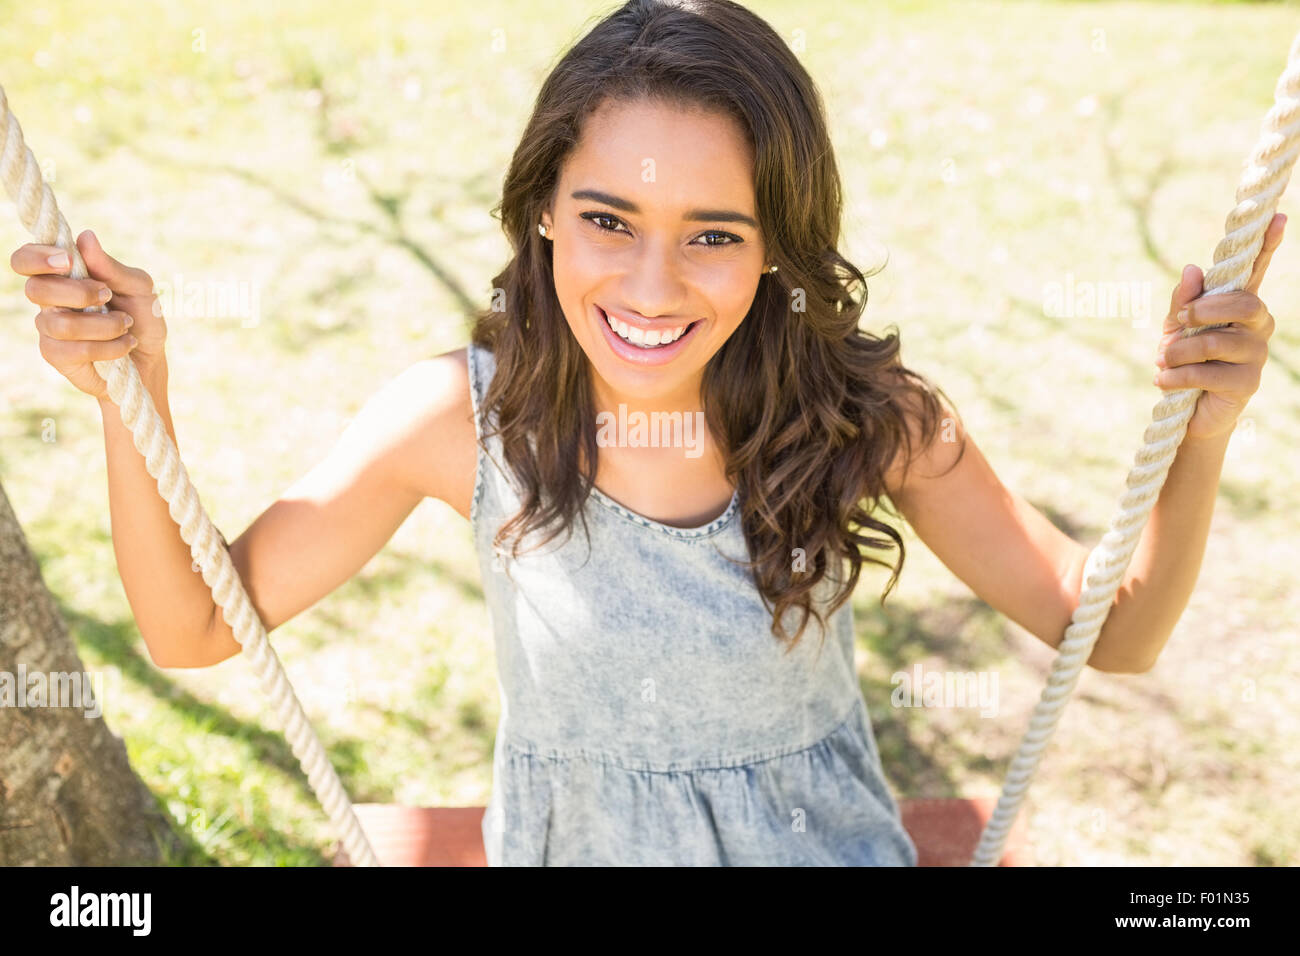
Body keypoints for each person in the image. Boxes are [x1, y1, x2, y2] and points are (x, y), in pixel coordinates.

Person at [9, 0, 1282, 866]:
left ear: (776, 242)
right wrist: (140, 393)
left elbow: (1108, 633)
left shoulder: (867, 420)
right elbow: (190, 628)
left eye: (713, 235)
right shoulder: (464, 417)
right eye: (608, 218)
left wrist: (1202, 432)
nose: (653, 286)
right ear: (544, 213)